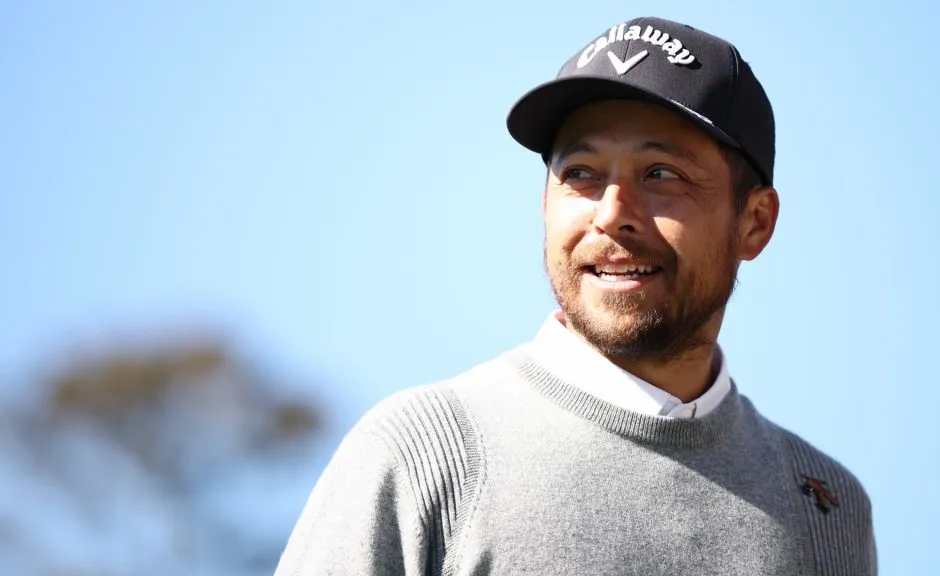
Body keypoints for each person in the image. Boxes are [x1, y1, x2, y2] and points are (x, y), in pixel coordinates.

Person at [274, 16, 877, 576]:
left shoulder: (824, 504)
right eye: (580, 175)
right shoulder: (423, 452)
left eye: (661, 174)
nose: (612, 216)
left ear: (755, 223)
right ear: (544, 205)